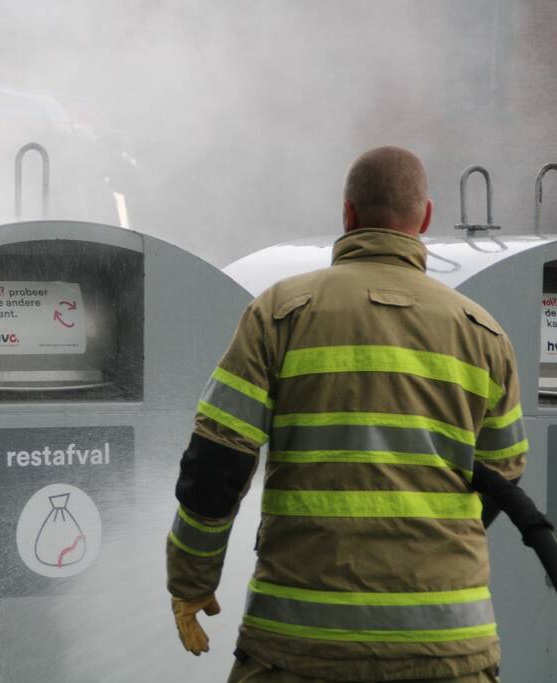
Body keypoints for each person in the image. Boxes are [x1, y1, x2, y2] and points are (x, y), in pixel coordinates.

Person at [166, 146, 525, 683]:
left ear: (347, 214)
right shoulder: (484, 334)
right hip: (449, 647)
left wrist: (192, 579)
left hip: (298, 646)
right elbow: (504, 478)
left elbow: (217, 462)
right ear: (425, 218)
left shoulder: (280, 313)